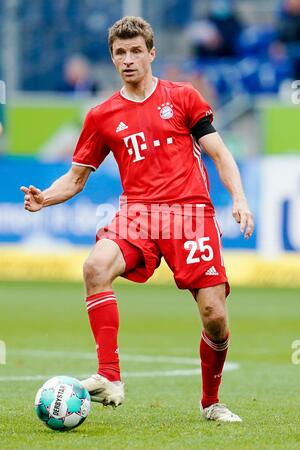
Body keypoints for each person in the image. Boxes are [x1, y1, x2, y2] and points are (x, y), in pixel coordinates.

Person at [21, 16, 254, 422]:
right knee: (95, 266)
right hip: (139, 214)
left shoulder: (183, 97)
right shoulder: (102, 116)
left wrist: (239, 198)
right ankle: (110, 376)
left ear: (151, 53)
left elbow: (219, 153)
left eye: (135, 51)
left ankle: (211, 402)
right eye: (119, 53)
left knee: (215, 316)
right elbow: (75, 179)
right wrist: (47, 198)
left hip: (189, 214)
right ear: (112, 58)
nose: (128, 60)